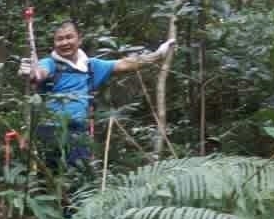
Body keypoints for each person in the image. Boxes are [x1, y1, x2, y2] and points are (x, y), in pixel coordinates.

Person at [20, 19, 176, 170]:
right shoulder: (50, 63)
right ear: (54, 43)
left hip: (78, 132)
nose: (65, 43)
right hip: (49, 131)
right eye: (59, 39)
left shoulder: (91, 66)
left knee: (79, 179)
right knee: (48, 178)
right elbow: (40, 73)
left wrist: (157, 55)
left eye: (69, 37)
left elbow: (125, 64)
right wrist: (32, 73)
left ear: (79, 40)